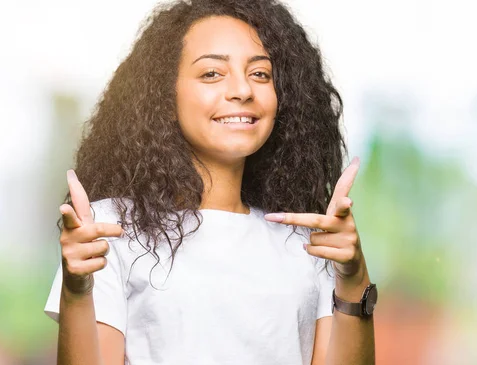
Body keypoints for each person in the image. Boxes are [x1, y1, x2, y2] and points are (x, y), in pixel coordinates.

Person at [44, 0, 376, 364]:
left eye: (261, 74)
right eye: (212, 74)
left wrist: (354, 277)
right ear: (165, 97)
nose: (242, 91)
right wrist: (77, 292)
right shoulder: (110, 228)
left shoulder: (308, 240)